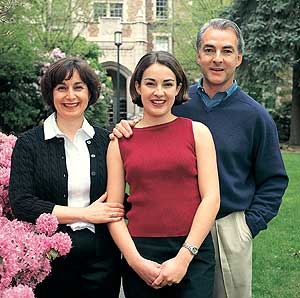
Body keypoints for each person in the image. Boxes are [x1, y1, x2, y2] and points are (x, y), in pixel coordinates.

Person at [111, 19, 289, 298]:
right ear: (198, 55)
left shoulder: (255, 116)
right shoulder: (176, 100)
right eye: (209, 50)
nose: (217, 59)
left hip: (228, 225)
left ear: (239, 58)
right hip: (169, 226)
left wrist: (246, 226)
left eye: (227, 51)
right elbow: (153, 126)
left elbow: (274, 180)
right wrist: (129, 125)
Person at [106, 51, 220, 298]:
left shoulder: (198, 133)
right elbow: (113, 211)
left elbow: (211, 198)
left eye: (167, 84)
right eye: (150, 83)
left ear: (178, 88)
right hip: (140, 251)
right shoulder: (120, 141)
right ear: (137, 86)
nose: (159, 92)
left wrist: (184, 257)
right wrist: (136, 262)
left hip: (192, 250)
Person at [9, 57, 124, 298]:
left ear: (90, 93)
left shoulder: (108, 142)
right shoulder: (29, 144)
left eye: (78, 87)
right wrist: (84, 214)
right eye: (62, 88)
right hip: (49, 260)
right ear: (51, 94)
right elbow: (21, 203)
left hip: (101, 259)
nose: (70, 95)